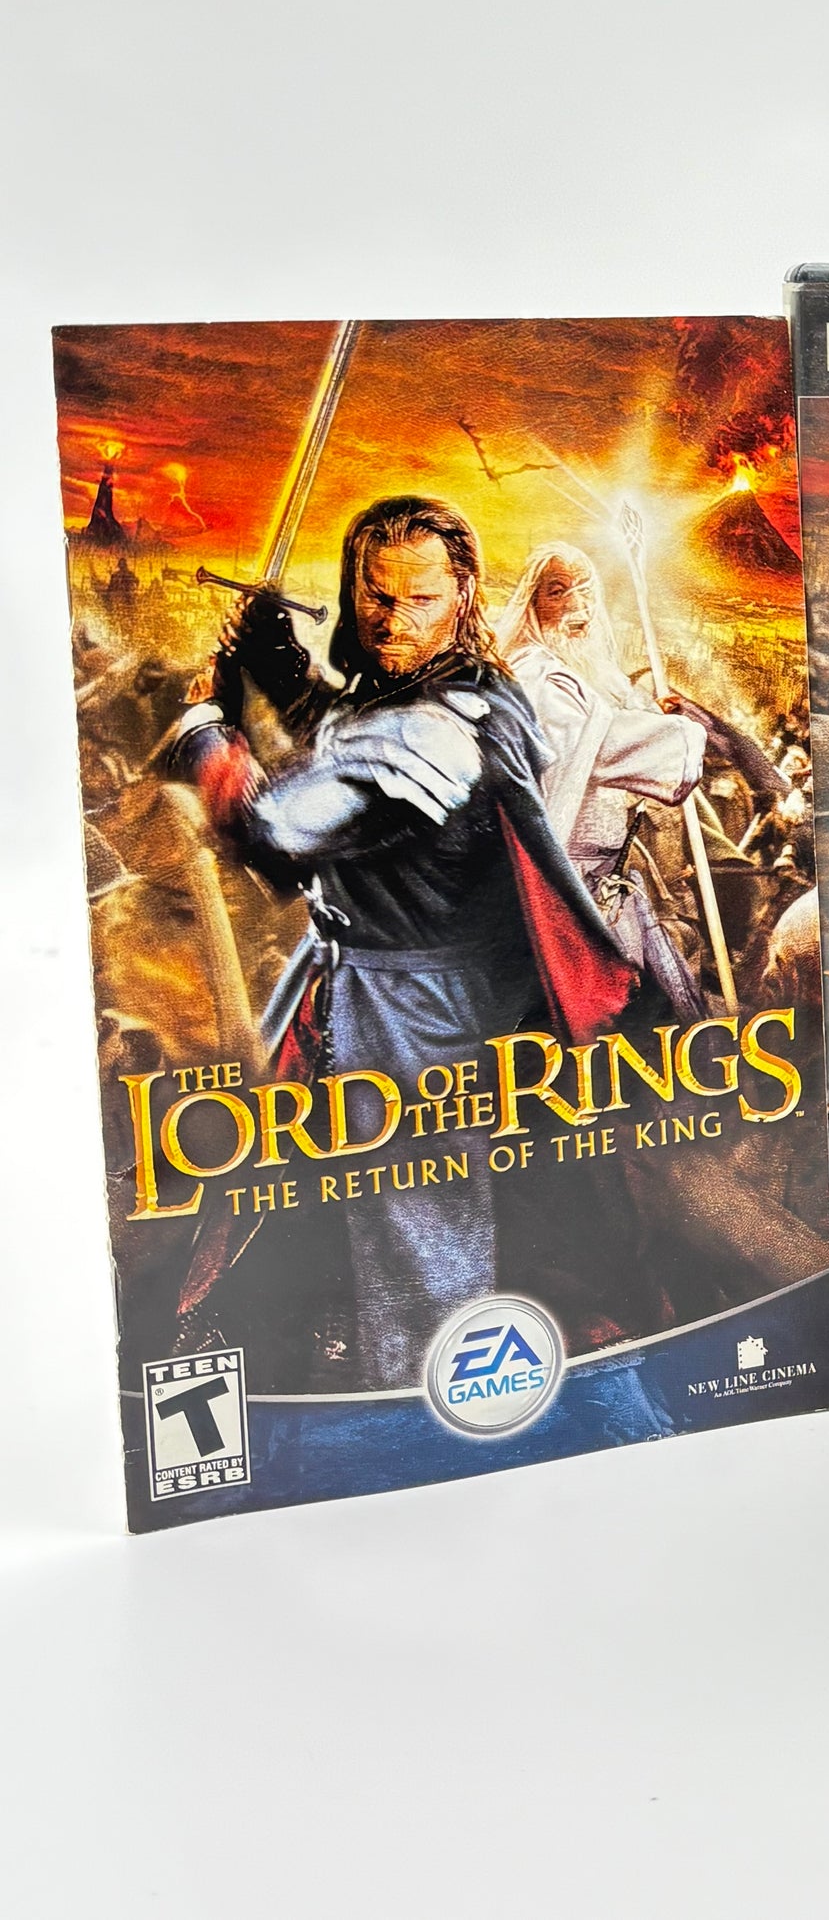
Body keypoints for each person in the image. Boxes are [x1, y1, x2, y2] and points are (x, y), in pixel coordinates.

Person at [169, 496, 639, 1386]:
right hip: (365, 987)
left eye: (420, 599)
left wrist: (205, 728)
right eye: (375, 596)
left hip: (419, 1019)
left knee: (420, 1243)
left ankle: (429, 1403)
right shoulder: (430, 693)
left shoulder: (446, 725)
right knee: (318, 1210)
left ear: (463, 594)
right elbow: (350, 734)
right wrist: (278, 660)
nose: (392, 621)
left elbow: (275, 830)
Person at [495, 544, 710, 1019]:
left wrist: (652, 716)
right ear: (532, 604)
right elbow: (601, 744)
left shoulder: (578, 673)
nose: (578, 606)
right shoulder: (536, 676)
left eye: (585, 591)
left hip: (603, 886)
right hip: (559, 894)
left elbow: (609, 720)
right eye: (558, 592)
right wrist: (682, 736)